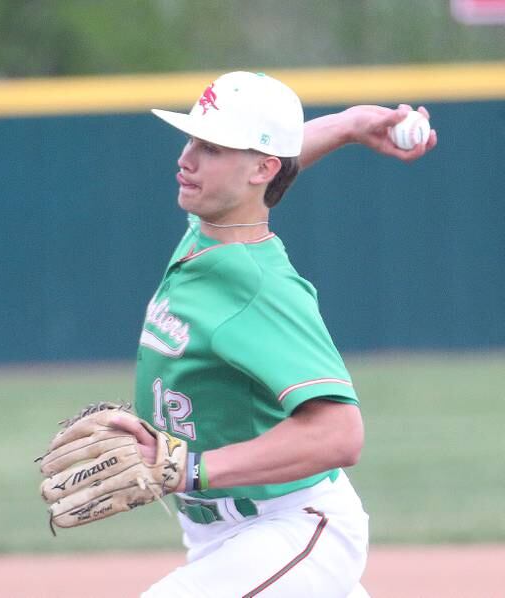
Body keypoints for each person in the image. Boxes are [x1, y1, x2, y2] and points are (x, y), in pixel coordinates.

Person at [107, 71, 436, 597]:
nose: (186, 158)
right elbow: (275, 159)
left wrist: (189, 467)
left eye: (211, 147)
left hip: (293, 528)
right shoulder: (206, 233)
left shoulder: (259, 286)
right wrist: (351, 124)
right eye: (192, 138)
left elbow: (339, 434)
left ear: (262, 169)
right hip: (224, 535)